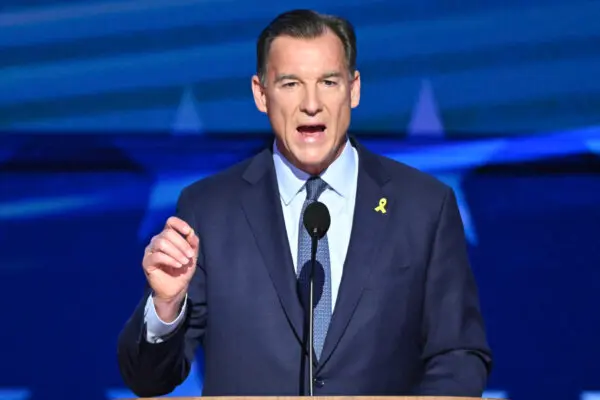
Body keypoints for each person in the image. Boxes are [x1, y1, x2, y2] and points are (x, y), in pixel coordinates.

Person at [117, 9, 492, 398]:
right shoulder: (210, 210)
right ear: (261, 94)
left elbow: (459, 354)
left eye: (328, 82)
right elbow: (148, 381)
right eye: (291, 83)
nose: (311, 103)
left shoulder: (424, 207)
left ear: (354, 89)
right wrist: (166, 306)